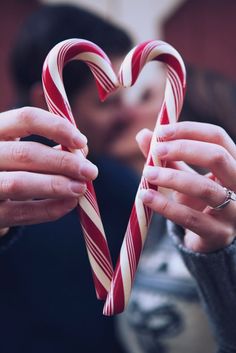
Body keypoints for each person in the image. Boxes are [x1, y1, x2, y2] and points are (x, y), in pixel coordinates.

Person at [1, 4, 139, 353]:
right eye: (107, 103)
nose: (128, 115)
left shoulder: (122, 186)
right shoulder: (9, 192)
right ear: (51, 102)